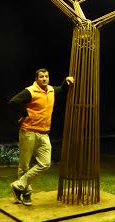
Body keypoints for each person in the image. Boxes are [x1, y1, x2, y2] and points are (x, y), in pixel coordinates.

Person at [9, 68, 74, 205]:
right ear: (36, 78)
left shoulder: (51, 90)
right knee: (24, 165)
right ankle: (26, 194)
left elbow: (61, 90)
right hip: (28, 131)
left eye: (46, 76)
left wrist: (66, 81)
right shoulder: (30, 91)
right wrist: (25, 114)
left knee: (45, 163)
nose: (44, 78)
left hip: (44, 133)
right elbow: (13, 102)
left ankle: (18, 185)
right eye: (41, 76)